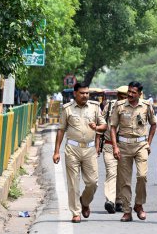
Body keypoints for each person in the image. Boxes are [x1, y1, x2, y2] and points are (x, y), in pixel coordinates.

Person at [52, 82, 107, 223]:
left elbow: (104, 125)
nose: (85, 96)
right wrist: (56, 151)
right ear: (75, 93)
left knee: (93, 182)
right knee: (73, 183)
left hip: (89, 149)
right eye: (82, 93)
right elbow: (61, 130)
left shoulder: (94, 107)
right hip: (72, 149)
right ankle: (76, 212)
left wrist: (97, 127)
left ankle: (85, 201)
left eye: (87, 93)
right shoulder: (67, 109)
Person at [111, 81, 157, 222]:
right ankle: (126, 211)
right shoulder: (119, 106)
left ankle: (139, 205)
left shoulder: (146, 106)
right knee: (125, 181)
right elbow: (113, 127)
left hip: (141, 145)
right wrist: (115, 147)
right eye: (129, 91)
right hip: (124, 146)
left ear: (139, 94)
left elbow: (153, 124)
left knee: (142, 176)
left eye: (133, 92)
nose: (130, 94)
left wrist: (148, 143)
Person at [95, 86, 128, 214]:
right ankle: (110, 200)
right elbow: (101, 126)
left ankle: (119, 200)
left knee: (122, 174)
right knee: (111, 172)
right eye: (120, 96)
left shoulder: (132, 108)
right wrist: (97, 145)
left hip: (125, 146)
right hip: (109, 145)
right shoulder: (109, 107)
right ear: (117, 95)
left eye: (125, 97)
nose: (122, 99)